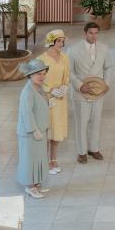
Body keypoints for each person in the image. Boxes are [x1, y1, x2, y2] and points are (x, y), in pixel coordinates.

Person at [68, 22, 113, 164]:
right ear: (85, 33)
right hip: (80, 93)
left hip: (98, 92)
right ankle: (81, 152)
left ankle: (94, 149)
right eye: (90, 33)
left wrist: (106, 84)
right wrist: (80, 86)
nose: (93, 36)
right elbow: (68, 71)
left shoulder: (104, 48)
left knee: (96, 121)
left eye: (96, 33)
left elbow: (108, 67)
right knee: (81, 123)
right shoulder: (73, 50)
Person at [17, 59, 51, 199]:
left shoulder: (38, 88)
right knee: (29, 159)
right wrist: (34, 130)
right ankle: (29, 186)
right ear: (30, 75)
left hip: (40, 130)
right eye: (38, 74)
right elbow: (27, 112)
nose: (42, 77)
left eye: (43, 74)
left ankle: (36, 183)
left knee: (39, 158)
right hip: (30, 133)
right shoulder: (27, 91)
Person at [37, 29, 70, 175]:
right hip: (46, 99)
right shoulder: (41, 60)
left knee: (57, 130)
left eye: (63, 41)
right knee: (46, 129)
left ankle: (53, 159)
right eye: (59, 41)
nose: (62, 44)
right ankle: (43, 160)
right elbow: (36, 81)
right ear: (51, 42)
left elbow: (67, 75)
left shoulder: (65, 58)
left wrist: (64, 87)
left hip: (60, 100)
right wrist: (50, 90)